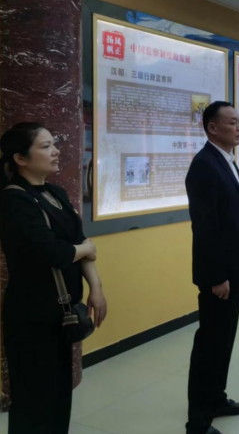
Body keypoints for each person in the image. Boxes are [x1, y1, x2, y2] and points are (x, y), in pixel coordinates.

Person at [0, 122, 108, 434]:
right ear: (21, 159)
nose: (56, 151)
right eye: (46, 146)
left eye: (54, 144)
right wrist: (83, 249)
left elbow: (80, 242)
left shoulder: (55, 192)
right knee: (34, 399)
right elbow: (53, 252)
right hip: (32, 314)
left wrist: (96, 287)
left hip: (63, 312)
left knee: (59, 394)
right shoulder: (14, 200)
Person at [185, 101, 239, 434]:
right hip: (218, 276)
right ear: (212, 128)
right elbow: (205, 227)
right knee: (210, 344)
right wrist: (217, 276)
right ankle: (198, 420)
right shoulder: (204, 165)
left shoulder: (226, 160)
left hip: (232, 270)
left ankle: (216, 399)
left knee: (223, 340)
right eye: (233, 122)